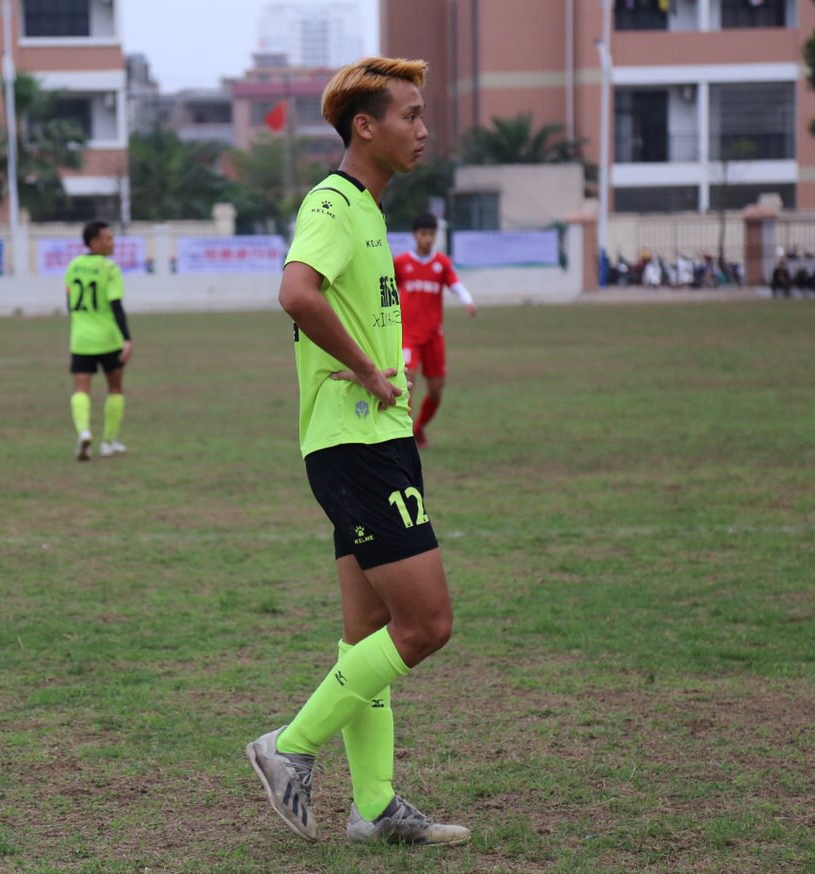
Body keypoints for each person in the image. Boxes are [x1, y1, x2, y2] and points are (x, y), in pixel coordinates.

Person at [247, 56, 468, 848]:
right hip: (356, 443)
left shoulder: (369, 209)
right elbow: (295, 292)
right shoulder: (335, 203)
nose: (423, 129)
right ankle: (290, 746)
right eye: (410, 115)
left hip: (376, 440)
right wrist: (371, 370)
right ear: (365, 127)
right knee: (427, 625)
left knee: (368, 632)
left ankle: (373, 806)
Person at [394, 212, 476, 448]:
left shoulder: (441, 263)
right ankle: (405, 435)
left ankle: (418, 428)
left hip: (433, 336)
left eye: (431, 234)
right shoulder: (401, 263)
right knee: (407, 381)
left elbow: (455, 284)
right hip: (408, 335)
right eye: (423, 233)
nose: (428, 238)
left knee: (436, 391)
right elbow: (387, 289)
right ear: (415, 235)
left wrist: (468, 300)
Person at [65, 220, 132, 461]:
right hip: (108, 338)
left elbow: (69, 302)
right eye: (108, 239)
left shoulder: (73, 266)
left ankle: (84, 432)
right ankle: (108, 442)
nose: (112, 243)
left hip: (81, 338)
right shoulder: (109, 268)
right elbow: (116, 305)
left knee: (81, 389)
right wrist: (127, 338)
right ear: (94, 242)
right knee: (115, 388)